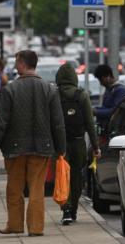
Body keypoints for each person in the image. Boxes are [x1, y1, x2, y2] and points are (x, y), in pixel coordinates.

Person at [0, 50, 67, 237]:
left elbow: (1, 122)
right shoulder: (49, 89)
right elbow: (58, 122)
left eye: (16, 61)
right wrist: (61, 148)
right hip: (42, 148)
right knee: (37, 189)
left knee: (14, 188)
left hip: (15, 149)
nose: (15, 65)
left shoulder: (10, 90)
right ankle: (36, 228)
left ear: (22, 63)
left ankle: (15, 225)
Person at [55, 63, 100, 225]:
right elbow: (90, 123)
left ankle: (65, 208)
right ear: (74, 78)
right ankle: (72, 209)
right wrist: (95, 146)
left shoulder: (54, 95)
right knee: (76, 177)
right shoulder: (82, 95)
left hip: (60, 144)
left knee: (62, 175)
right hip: (79, 142)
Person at [93, 64, 125, 130]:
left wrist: (96, 112)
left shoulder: (121, 90)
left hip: (116, 129)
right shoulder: (109, 90)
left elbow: (115, 112)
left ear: (108, 77)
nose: (101, 83)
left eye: (101, 80)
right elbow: (106, 107)